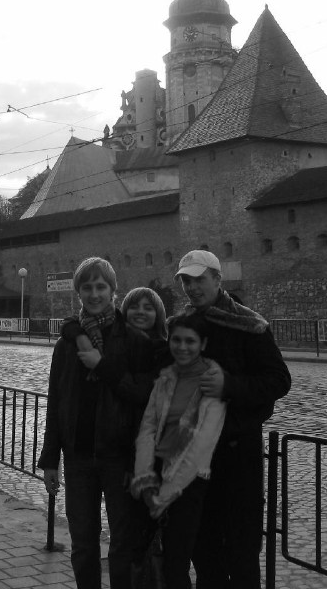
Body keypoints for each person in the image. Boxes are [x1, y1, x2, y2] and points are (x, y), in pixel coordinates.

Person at [174, 249, 291, 589]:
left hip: (237, 452)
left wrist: (230, 385)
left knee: (241, 547)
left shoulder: (250, 325)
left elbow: (278, 380)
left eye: (199, 280)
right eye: (186, 281)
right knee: (202, 543)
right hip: (195, 453)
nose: (192, 288)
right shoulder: (181, 325)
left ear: (217, 279)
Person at [38, 257, 154, 589]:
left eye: (100, 286)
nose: (94, 294)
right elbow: (56, 403)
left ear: (113, 290)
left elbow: (143, 402)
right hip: (78, 458)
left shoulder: (134, 341)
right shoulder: (67, 343)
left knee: (121, 542)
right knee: (84, 543)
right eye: (87, 287)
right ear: (79, 292)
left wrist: (138, 462)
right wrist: (50, 460)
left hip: (118, 457)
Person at [131, 314, 227, 589]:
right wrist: (145, 479)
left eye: (190, 341)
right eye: (176, 340)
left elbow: (204, 441)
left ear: (203, 343)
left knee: (176, 562)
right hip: (158, 475)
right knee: (153, 559)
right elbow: (148, 429)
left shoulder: (212, 380)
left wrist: (166, 494)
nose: (182, 347)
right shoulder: (166, 378)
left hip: (190, 481)